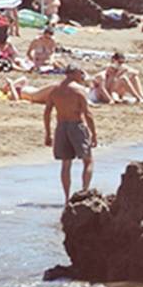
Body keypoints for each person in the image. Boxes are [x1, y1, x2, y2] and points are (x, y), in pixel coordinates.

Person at [43, 64, 97, 204]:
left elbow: (47, 112)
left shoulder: (55, 90)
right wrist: (94, 134)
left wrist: (48, 133)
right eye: (81, 73)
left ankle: (66, 199)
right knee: (88, 160)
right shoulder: (78, 90)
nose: (82, 76)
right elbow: (87, 113)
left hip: (61, 127)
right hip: (76, 126)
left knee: (66, 163)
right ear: (74, 73)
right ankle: (84, 192)